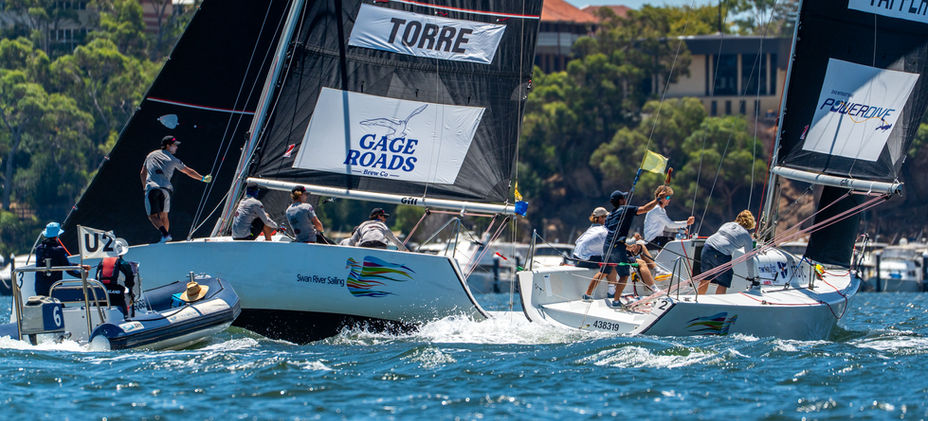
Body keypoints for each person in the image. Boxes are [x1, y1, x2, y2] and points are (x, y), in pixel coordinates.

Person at [582, 187, 662, 308]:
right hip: (617, 248)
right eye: (624, 198)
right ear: (620, 201)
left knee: (603, 272)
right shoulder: (626, 209)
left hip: (607, 246)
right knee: (624, 275)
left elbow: (613, 233)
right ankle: (616, 301)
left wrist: (626, 245)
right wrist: (657, 200)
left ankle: (587, 295)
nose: (625, 199)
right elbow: (645, 209)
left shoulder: (610, 216)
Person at [140, 135, 212, 243]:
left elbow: (142, 173)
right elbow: (189, 171)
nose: (176, 147)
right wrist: (202, 178)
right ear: (167, 146)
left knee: (152, 216)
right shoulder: (174, 160)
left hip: (152, 188)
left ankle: (165, 235)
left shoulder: (150, 155)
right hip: (166, 190)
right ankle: (165, 239)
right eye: (174, 145)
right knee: (164, 215)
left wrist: (145, 188)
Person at [698, 210, 757, 295]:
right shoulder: (746, 236)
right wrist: (751, 277)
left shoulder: (727, 224)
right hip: (721, 254)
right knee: (723, 283)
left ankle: (699, 299)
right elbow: (749, 258)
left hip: (707, 247)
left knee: (705, 278)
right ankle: (718, 303)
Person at [33, 222, 90, 296]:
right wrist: (82, 274)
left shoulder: (39, 248)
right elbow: (68, 268)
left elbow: (58, 262)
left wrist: (79, 266)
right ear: (57, 236)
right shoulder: (59, 250)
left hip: (39, 288)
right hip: (54, 288)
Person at [643, 185, 695, 250]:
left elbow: (665, 227)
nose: (669, 199)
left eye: (669, 197)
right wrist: (687, 222)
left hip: (655, 241)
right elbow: (670, 224)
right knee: (674, 243)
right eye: (667, 197)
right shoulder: (657, 209)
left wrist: (679, 229)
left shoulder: (661, 210)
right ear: (661, 198)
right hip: (652, 242)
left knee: (673, 240)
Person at [94, 240, 136, 317]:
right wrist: (131, 292)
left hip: (102, 293)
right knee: (125, 300)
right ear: (122, 253)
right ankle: (127, 317)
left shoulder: (101, 262)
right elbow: (130, 281)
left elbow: (96, 279)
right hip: (116, 295)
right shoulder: (123, 263)